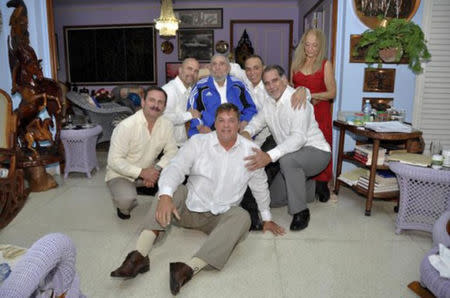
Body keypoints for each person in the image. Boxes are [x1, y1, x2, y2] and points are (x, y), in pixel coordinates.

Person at [110, 103, 285, 296]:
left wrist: (266, 218)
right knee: (171, 191)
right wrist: (166, 196)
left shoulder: (251, 151)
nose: (226, 126)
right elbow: (175, 168)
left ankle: (187, 269)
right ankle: (139, 256)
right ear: (215, 123)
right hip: (186, 210)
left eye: (231, 121)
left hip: (219, 218)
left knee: (243, 217)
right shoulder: (198, 143)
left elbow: (259, 185)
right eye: (221, 120)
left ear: (238, 125)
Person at [242, 65, 331, 231]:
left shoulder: (297, 99)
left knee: (287, 160)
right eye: (267, 83)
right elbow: (257, 122)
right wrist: (247, 132)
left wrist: (269, 156)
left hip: (316, 151)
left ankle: (301, 212)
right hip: (293, 155)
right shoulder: (269, 103)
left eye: (274, 80)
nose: (271, 86)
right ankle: (313, 188)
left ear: (284, 80)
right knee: (273, 199)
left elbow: (298, 139)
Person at [105, 86, 178, 220]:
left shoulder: (167, 125)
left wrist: (156, 169)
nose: (156, 105)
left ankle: (146, 187)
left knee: (178, 179)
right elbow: (114, 161)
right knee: (126, 200)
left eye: (160, 102)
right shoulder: (126, 126)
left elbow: (172, 151)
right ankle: (124, 202)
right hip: (121, 174)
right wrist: (142, 173)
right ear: (143, 102)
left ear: (164, 107)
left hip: (151, 170)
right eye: (152, 100)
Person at [290, 28, 337, 202]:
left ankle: (322, 183)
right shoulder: (295, 64)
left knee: (321, 146)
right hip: (300, 113)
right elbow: (291, 89)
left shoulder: (325, 64)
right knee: (301, 145)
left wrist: (312, 95)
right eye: (307, 45)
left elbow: (332, 93)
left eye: (314, 46)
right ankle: (304, 180)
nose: (310, 49)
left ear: (320, 46)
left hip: (320, 112)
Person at [187, 54, 257, 137]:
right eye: (214, 64)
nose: (218, 67)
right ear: (209, 68)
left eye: (222, 64)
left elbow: (251, 107)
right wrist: (200, 126)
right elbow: (191, 109)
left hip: (236, 131)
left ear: (228, 68)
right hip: (208, 130)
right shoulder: (199, 87)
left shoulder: (239, 85)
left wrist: (245, 121)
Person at [162, 58, 202, 147]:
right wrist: (189, 115)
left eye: (196, 71)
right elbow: (164, 118)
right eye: (189, 69)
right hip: (169, 148)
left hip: (183, 145)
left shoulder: (190, 91)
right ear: (180, 70)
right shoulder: (169, 90)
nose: (192, 73)